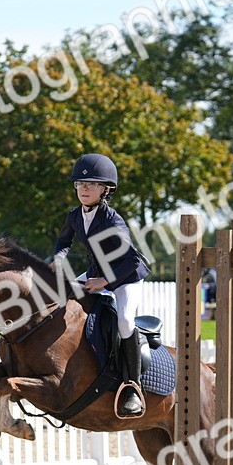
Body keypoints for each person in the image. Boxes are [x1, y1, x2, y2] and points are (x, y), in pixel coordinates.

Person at [53, 153, 151, 417]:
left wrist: (105, 282)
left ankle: (133, 387)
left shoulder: (112, 221)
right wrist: (58, 259)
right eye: (80, 184)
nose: (84, 189)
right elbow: (63, 242)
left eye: (92, 184)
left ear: (105, 189)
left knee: (125, 322)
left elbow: (132, 260)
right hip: (97, 273)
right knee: (58, 293)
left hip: (124, 276)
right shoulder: (75, 216)